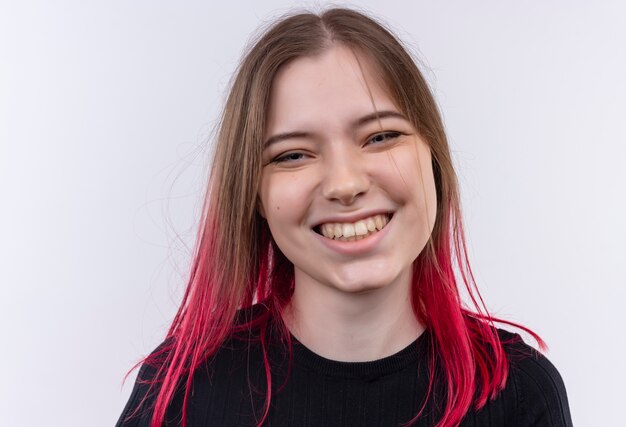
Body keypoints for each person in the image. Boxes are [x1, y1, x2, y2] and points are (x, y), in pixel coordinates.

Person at [116, 7, 572, 427]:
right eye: (292, 154)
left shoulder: (520, 395)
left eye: (380, 136)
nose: (344, 183)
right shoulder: (180, 393)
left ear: (432, 159)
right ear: (252, 192)